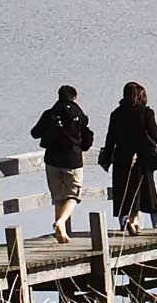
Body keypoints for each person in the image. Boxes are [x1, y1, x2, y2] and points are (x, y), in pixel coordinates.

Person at [30, 84, 94, 242]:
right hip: (72, 160)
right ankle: (61, 222)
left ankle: (61, 232)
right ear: (74, 97)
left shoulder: (50, 113)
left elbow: (35, 133)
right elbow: (86, 138)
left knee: (58, 197)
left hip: (52, 160)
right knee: (73, 197)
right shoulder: (78, 113)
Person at [101, 80, 157, 233]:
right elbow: (155, 136)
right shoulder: (146, 113)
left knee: (125, 191)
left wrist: (106, 159)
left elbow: (110, 138)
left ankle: (128, 220)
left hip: (121, 158)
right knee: (142, 191)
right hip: (142, 158)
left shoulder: (116, 114)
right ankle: (141, 222)